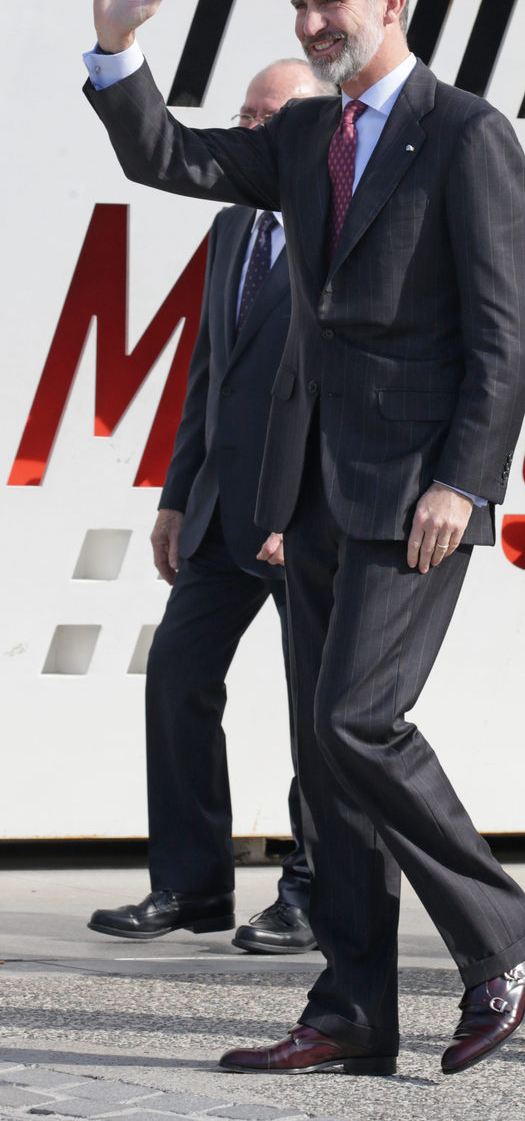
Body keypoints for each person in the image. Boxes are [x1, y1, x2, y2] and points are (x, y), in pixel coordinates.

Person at [85, 0, 525, 1078]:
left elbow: (508, 328)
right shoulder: (302, 133)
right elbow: (169, 158)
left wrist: (465, 476)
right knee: (323, 750)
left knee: (355, 721)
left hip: (414, 496)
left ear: (391, 3)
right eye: (298, 7)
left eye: (327, 3)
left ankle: (504, 937)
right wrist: (115, 46)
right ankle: (351, 1007)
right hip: (311, 497)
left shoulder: (466, 134)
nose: (309, 23)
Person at [88, 59, 327, 956]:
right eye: (246, 115)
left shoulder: (336, 225)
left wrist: (293, 504)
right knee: (179, 677)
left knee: (320, 709)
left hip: (300, 517)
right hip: (220, 513)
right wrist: (175, 498)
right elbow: (208, 372)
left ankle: (310, 889)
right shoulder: (233, 226)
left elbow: (339, 388)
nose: (252, 131)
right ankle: (190, 885)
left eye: (271, 118)